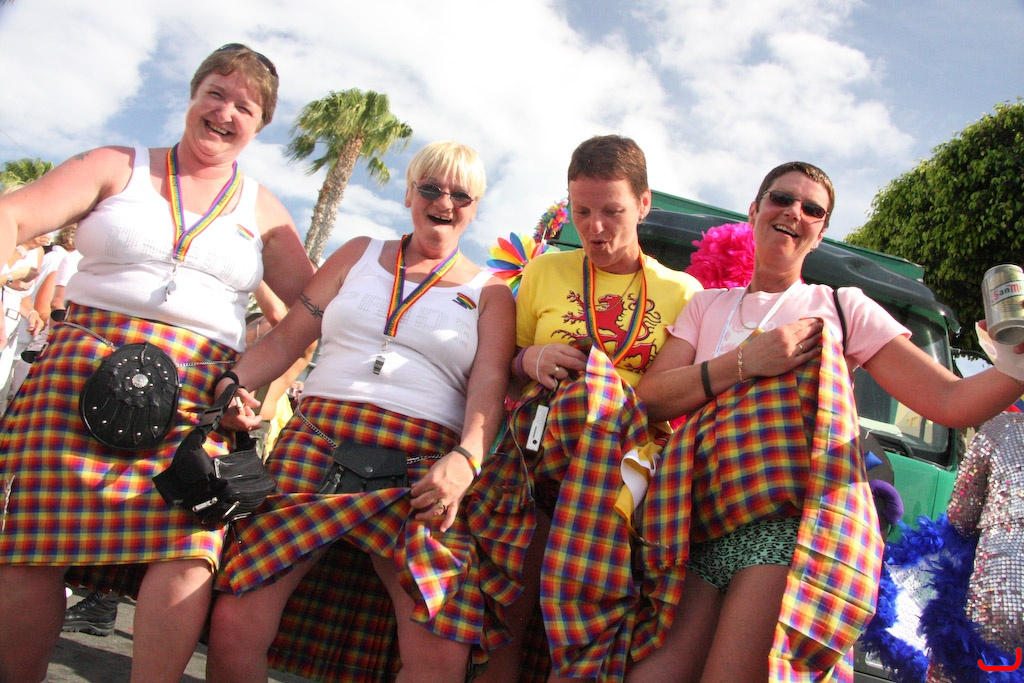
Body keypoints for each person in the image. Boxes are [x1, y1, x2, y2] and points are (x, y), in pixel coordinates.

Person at [626, 161, 1024, 682]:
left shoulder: (842, 307)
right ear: (754, 210)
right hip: (693, 529)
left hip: (785, 530)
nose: (794, 211)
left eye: (811, 209)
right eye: (781, 199)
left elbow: (950, 402)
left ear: (820, 232)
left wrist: (1015, 363)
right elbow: (650, 399)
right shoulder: (705, 306)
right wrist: (747, 361)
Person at [0, 42, 314, 683]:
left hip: (197, 393)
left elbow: (314, 311)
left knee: (187, 551)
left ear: (260, 126)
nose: (225, 112)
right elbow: (14, 213)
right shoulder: (118, 165)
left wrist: (261, 386)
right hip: (78, 370)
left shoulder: (263, 210)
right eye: (216, 93)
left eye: (245, 107)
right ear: (193, 95)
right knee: (29, 547)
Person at [205, 140, 520, 683]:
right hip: (316, 438)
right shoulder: (358, 253)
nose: (444, 202)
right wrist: (233, 383)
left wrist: (467, 460)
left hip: (424, 464)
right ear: (409, 194)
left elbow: (489, 388)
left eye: (461, 194)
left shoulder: (491, 292)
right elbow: (287, 339)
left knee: (441, 652)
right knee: (235, 619)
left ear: (475, 207)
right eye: (430, 188)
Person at [477, 134, 703, 683]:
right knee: (507, 605)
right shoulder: (544, 272)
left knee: (589, 626)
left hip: (622, 483)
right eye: (581, 212)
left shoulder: (685, 292)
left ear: (644, 204)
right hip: (538, 464)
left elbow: (680, 399)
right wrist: (529, 357)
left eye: (612, 211)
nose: (595, 227)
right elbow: (499, 364)